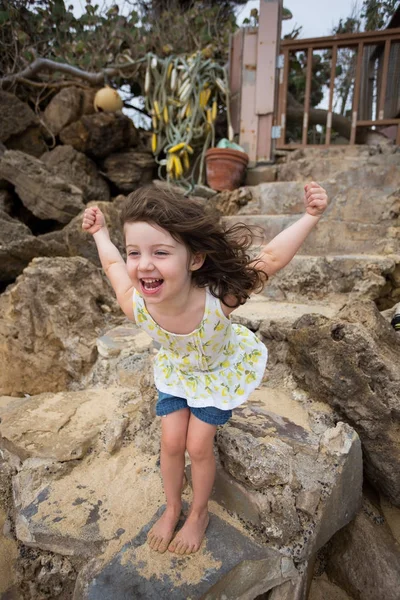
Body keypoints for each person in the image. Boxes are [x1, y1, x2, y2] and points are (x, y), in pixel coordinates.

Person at [82, 182, 328, 556]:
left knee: (198, 444)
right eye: (136, 252)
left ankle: (198, 513)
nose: (144, 264)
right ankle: (172, 506)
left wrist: (309, 217)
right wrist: (100, 232)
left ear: (194, 259)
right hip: (178, 373)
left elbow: (271, 260)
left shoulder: (217, 299)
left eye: (160, 252)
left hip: (218, 373)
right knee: (170, 441)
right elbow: (113, 264)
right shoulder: (136, 304)